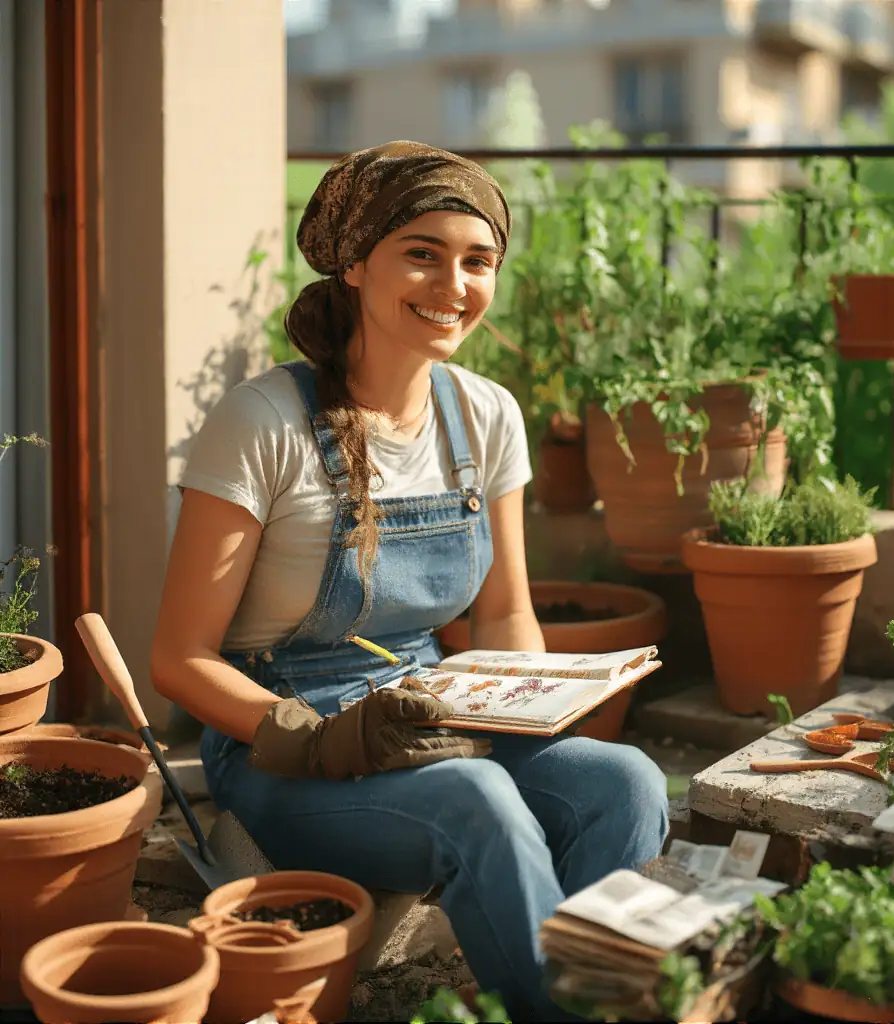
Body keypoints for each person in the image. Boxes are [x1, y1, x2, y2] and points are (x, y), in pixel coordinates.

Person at [151, 141, 668, 1021]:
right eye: (422, 253)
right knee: (478, 800)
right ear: (355, 262)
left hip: (433, 713)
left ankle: (586, 997)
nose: (453, 285)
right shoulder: (261, 422)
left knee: (627, 782)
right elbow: (179, 658)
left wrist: (536, 707)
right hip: (281, 743)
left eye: (478, 261)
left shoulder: (485, 414)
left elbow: (504, 614)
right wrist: (312, 738)